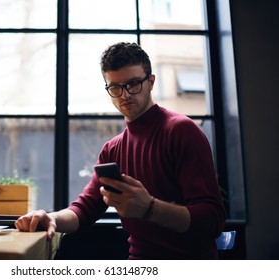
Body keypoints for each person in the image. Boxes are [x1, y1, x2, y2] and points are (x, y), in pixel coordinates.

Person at [15, 42, 226, 259]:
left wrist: (150, 208)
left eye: (133, 84)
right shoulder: (112, 149)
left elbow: (213, 220)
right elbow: (84, 209)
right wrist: (51, 218)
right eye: (115, 87)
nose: (124, 95)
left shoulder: (181, 131)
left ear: (151, 82)